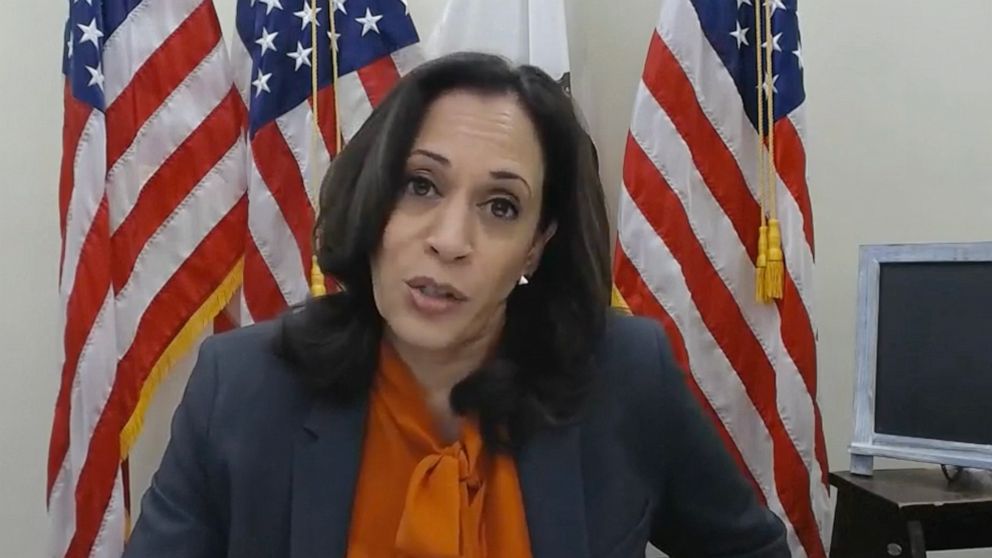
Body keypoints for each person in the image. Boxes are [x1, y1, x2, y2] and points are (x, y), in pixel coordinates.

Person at [124, 52, 788, 558]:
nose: (448, 241)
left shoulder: (626, 376)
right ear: (374, 201)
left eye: (501, 207)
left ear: (535, 247)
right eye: (420, 186)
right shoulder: (240, 387)